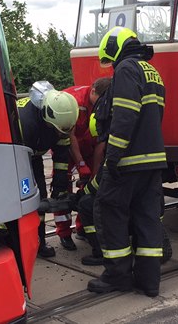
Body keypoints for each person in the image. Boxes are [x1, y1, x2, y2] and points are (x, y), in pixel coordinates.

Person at [86, 26, 167, 298]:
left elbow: (125, 115)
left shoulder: (127, 69)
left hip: (128, 161)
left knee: (108, 210)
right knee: (147, 217)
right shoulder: (152, 71)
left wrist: (113, 158)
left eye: (109, 58)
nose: (110, 65)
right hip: (154, 161)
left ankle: (117, 276)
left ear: (115, 47)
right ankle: (149, 281)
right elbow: (157, 116)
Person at [17, 82, 79, 258]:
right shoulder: (26, 124)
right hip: (15, 156)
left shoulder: (60, 120)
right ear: (47, 118)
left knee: (41, 199)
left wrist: (60, 184)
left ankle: (39, 243)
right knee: (19, 200)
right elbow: (18, 160)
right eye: (59, 131)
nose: (62, 135)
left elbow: (61, 156)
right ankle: (11, 243)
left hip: (33, 155)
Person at [53, 77, 111, 251]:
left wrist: (93, 172)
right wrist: (80, 163)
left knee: (89, 187)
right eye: (99, 100)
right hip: (66, 147)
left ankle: (83, 227)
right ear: (92, 91)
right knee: (62, 188)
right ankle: (63, 232)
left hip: (90, 146)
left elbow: (102, 141)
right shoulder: (74, 101)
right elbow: (70, 136)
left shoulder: (106, 100)